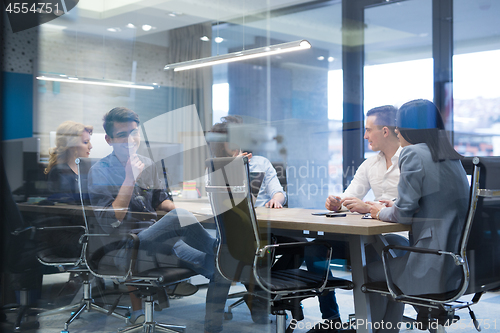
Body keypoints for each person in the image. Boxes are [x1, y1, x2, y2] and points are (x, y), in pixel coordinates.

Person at [87, 107, 230, 332]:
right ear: (109, 140)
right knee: (213, 246)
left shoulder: (147, 163)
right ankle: (222, 249)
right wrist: (129, 179)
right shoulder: (100, 171)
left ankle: (213, 327)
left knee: (220, 268)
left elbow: (160, 201)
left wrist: (186, 212)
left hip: (159, 241)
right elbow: (111, 219)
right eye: (122, 135)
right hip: (127, 248)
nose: (130, 140)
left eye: (134, 132)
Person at [367, 99, 469, 333]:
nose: (396, 132)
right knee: (390, 256)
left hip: (431, 262)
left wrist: (379, 211)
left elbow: (403, 214)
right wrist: (397, 204)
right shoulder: (451, 157)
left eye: (398, 127)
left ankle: (382, 331)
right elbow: (436, 203)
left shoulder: (412, 153)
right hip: (457, 263)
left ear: (403, 129)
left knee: (369, 270)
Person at [307, 105, 401, 332]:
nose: (365, 135)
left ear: (385, 131)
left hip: (400, 238)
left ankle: (372, 324)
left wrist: (367, 208)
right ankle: (332, 318)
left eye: (369, 130)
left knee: (369, 258)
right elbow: (351, 194)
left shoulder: (411, 160)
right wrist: (338, 202)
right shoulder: (371, 164)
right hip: (370, 236)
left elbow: (408, 206)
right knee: (314, 252)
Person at [210, 115, 286, 208]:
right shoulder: (218, 167)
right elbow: (230, 204)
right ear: (222, 144)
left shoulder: (261, 163)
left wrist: (275, 200)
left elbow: (278, 193)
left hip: (263, 216)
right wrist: (236, 167)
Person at [43, 121, 93, 258]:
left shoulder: (85, 171)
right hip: (69, 236)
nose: (91, 146)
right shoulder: (60, 172)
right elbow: (69, 212)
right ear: (71, 145)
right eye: (85, 142)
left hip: (83, 231)